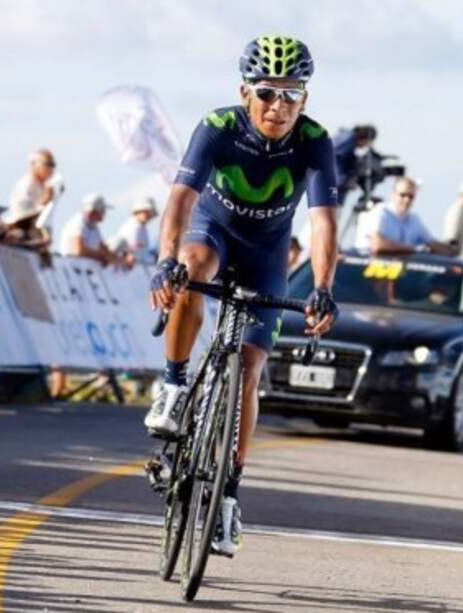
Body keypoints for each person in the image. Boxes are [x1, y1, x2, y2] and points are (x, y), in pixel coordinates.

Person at [144, 35, 339, 557]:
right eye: (268, 93)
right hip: (213, 235)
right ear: (244, 92)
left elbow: (324, 223)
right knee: (191, 270)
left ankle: (229, 495)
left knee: (250, 369)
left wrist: (322, 290)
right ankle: (174, 384)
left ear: (305, 99)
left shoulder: (315, 141)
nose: (279, 106)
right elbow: (181, 199)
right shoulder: (218, 128)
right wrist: (165, 261)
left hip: (267, 256)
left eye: (292, 95)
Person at [360, 177, 455, 256]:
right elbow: (378, 245)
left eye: (411, 196)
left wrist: (454, 252)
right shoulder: (380, 213)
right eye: (402, 195)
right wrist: (414, 249)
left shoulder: (414, 219)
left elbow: (432, 244)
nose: (406, 200)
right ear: (393, 194)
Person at [58, 193, 115, 266]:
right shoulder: (77, 223)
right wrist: (101, 256)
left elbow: (105, 250)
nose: (105, 213)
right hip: (71, 270)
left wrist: (108, 256)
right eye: (103, 210)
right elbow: (78, 250)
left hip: (83, 272)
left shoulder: (94, 226)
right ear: (94, 210)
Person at [332, 124, 376, 204]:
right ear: (365, 139)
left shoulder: (347, 140)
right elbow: (330, 157)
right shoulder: (347, 139)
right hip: (332, 189)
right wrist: (344, 181)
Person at [108, 197, 158, 266]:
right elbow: (132, 250)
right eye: (145, 212)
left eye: (149, 212)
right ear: (138, 212)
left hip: (143, 262)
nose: (148, 215)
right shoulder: (132, 226)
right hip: (133, 263)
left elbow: (143, 250)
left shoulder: (142, 227)